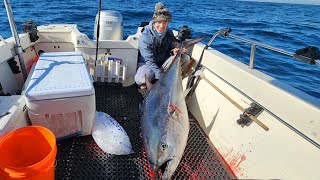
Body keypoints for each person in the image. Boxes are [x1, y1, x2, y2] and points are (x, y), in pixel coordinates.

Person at [134, 2, 188, 88]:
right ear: (154, 22)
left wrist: (173, 51)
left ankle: (172, 80)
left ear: (168, 23)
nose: (161, 26)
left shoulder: (168, 33)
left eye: (165, 22)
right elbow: (149, 61)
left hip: (162, 63)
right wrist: (160, 78)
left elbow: (171, 48)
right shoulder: (145, 37)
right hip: (148, 64)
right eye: (159, 22)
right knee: (142, 79)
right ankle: (156, 79)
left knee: (185, 58)